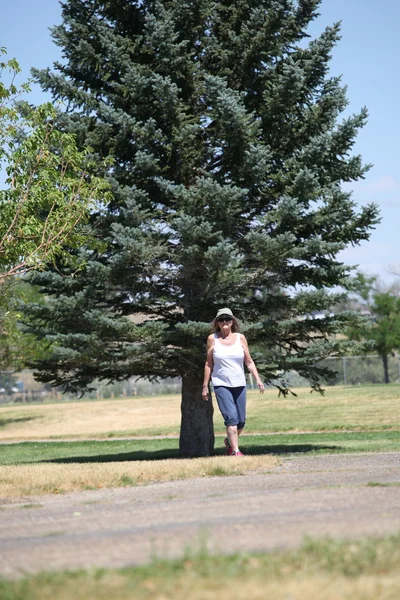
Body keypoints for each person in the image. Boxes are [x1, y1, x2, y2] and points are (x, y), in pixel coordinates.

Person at [202, 307, 265, 456]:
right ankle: (236, 452)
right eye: (221, 319)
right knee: (231, 418)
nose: (225, 322)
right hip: (221, 384)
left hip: (239, 384)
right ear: (217, 322)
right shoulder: (213, 339)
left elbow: (248, 361)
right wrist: (205, 386)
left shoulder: (240, 338)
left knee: (241, 421)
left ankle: (229, 443)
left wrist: (258, 379)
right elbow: (208, 364)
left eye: (227, 319)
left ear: (232, 321)